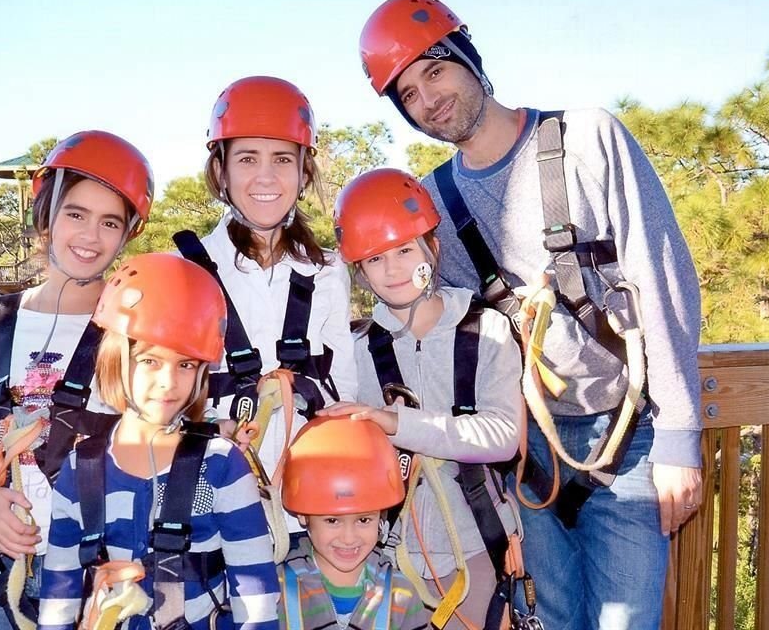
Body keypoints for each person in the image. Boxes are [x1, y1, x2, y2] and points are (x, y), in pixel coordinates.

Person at [358, 0, 704, 629]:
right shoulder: (436, 203)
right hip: (527, 460)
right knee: (558, 620)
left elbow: (665, 279)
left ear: (469, 58)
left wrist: (681, 435)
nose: (428, 99)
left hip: (627, 437)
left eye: (435, 71)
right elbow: (438, 323)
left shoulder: (587, 140)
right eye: (408, 93)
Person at [0, 131, 154, 629]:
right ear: (47, 216)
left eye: (109, 223)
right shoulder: (2, 318)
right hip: (4, 564)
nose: (89, 235)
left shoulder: (133, 326)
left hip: (96, 568)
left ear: (126, 235)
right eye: (75, 214)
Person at [321, 168, 524, 630]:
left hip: (476, 545)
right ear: (359, 270)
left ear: (432, 248)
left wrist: (394, 423)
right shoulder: (357, 350)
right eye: (374, 259)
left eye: (403, 250)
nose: (391, 270)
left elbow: (502, 437)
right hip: (388, 555)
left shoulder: (483, 331)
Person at [38, 253, 279, 630]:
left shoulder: (219, 466)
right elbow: (59, 592)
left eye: (185, 365)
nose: (169, 383)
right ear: (116, 360)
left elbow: (256, 593)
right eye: (149, 361)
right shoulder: (80, 470)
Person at [174, 76, 356, 525]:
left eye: (281, 159)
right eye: (247, 158)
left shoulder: (327, 270)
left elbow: (344, 386)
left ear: (303, 171)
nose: (266, 176)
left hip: (308, 498)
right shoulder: (184, 270)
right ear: (221, 170)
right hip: (212, 496)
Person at [278, 415, 430, 630]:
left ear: (381, 516)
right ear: (302, 515)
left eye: (364, 520)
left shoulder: (401, 594)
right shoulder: (276, 591)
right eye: (332, 520)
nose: (349, 538)